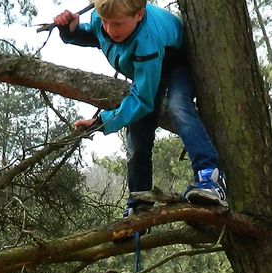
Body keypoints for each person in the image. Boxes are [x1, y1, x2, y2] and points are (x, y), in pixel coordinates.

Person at [51, 0, 228, 222]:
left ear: (139, 15)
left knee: (179, 107)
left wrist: (101, 122)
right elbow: (96, 35)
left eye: (116, 24)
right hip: (146, 68)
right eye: (105, 21)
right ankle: (140, 203)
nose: (109, 29)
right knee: (136, 134)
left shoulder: (147, 41)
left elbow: (143, 99)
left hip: (174, 63)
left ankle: (210, 178)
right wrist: (71, 30)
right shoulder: (104, 18)